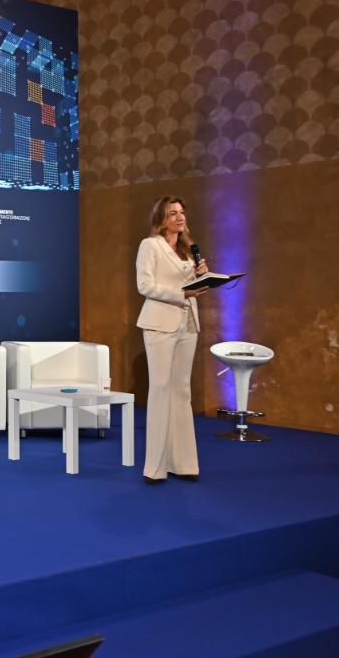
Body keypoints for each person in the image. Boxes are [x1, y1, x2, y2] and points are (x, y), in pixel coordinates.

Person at [136, 195, 209, 484]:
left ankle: (184, 464)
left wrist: (202, 277)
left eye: (181, 212)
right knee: (161, 390)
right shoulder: (150, 245)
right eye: (173, 213)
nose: (180, 217)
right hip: (159, 325)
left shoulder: (188, 250)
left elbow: (189, 285)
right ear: (161, 219)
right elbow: (145, 285)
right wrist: (183, 293)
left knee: (181, 392)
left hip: (188, 324)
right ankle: (154, 468)